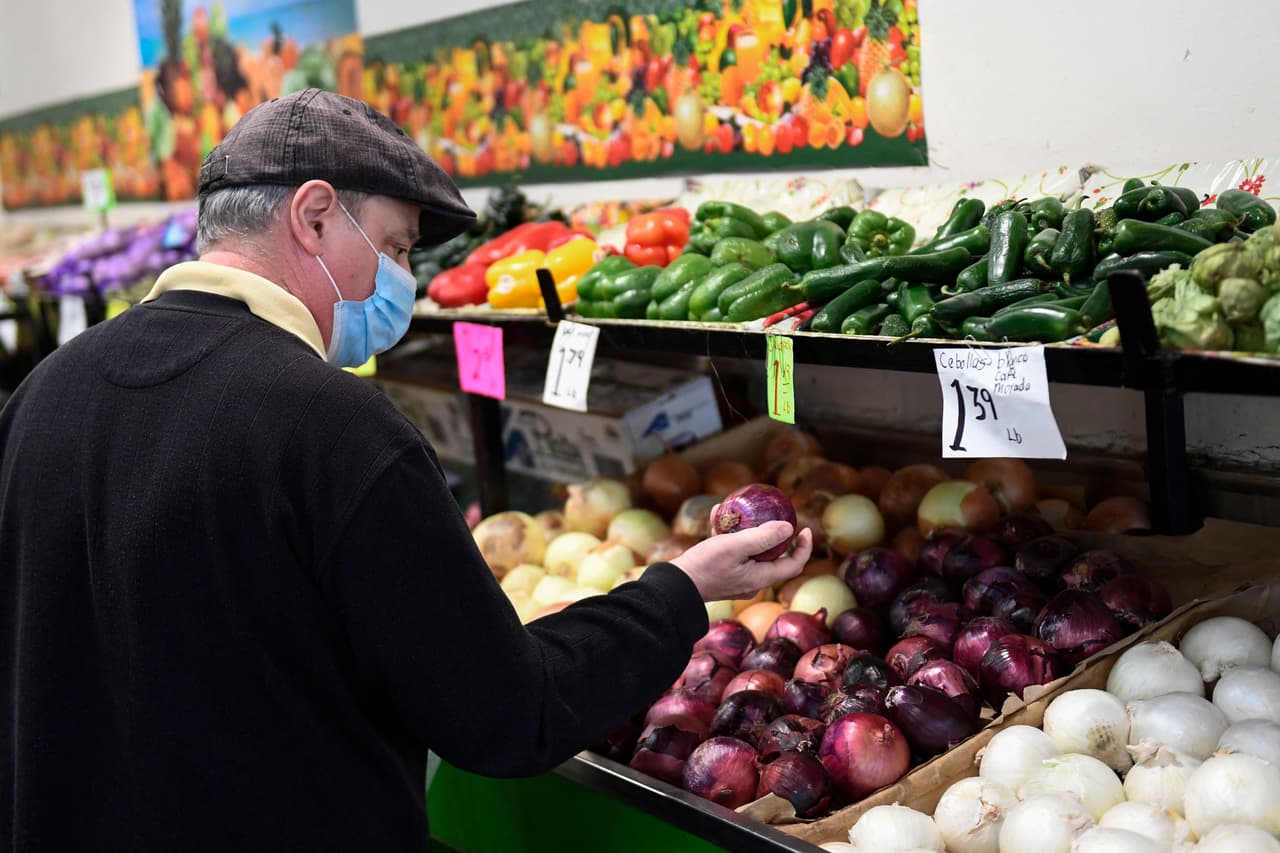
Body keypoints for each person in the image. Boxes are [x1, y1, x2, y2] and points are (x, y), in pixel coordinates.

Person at [0, 89, 812, 852]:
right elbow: (502, 712)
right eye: (394, 246)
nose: (404, 278)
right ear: (315, 216)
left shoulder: (44, 393)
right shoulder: (332, 427)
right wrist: (680, 589)